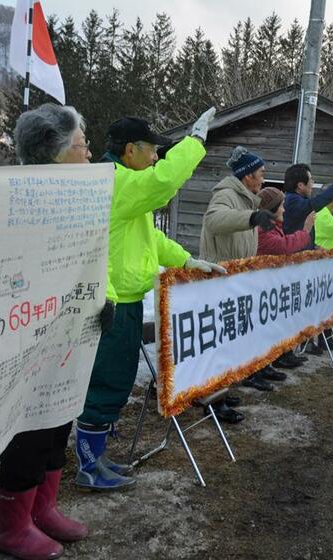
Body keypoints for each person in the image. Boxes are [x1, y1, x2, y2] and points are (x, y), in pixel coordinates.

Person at [75, 109, 225, 492]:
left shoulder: (126, 187)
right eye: (151, 150)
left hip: (124, 301)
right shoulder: (117, 182)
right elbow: (164, 182)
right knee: (105, 383)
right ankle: (89, 466)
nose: (156, 156)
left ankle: (99, 457)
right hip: (109, 303)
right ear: (130, 150)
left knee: (116, 381)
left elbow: (151, 240)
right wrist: (194, 142)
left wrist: (187, 260)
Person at [0, 103, 93, 560]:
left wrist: (96, 303)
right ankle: (10, 526)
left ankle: (43, 508)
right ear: (54, 152)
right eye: (82, 146)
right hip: (21, 337)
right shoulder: (16, 200)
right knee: (28, 430)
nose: (89, 155)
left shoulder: (78, 200)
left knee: (58, 418)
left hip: (66, 333)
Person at [199, 146, 282, 393]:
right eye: (261, 173)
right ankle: (214, 396)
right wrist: (252, 218)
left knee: (231, 338)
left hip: (236, 279)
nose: (264, 178)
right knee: (218, 342)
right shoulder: (225, 194)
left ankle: (222, 390)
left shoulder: (246, 197)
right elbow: (214, 220)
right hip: (219, 279)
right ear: (248, 176)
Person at [282, 160, 333, 236]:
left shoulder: (297, 198)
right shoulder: (292, 201)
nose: (313, 183)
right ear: (300, 185)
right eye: (310, 180)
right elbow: (315, 202)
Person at [256, 187, 315, 254]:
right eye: (281, 206)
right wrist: (306, 230)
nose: (284, 210)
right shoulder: (262, 231)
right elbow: (284, 246)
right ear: (273, 209)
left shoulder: (273, 227)